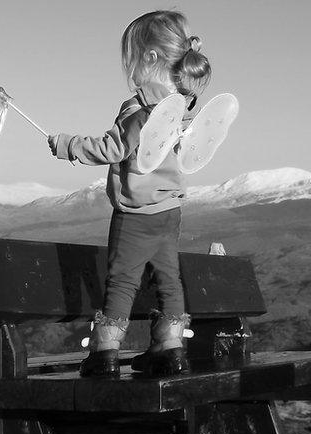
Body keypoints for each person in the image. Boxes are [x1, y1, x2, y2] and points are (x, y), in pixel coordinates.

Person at [47, 10, 212, 377]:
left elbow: (113, 149)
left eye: (132, 60)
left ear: (150, 58)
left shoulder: (138, 109)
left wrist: (67, 145)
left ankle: (105, 352)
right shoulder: (185, 108)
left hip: (135, 213)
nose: (130, 70)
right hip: (170, 210)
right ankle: (171, 349)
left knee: (122, 280)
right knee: (169, 277)